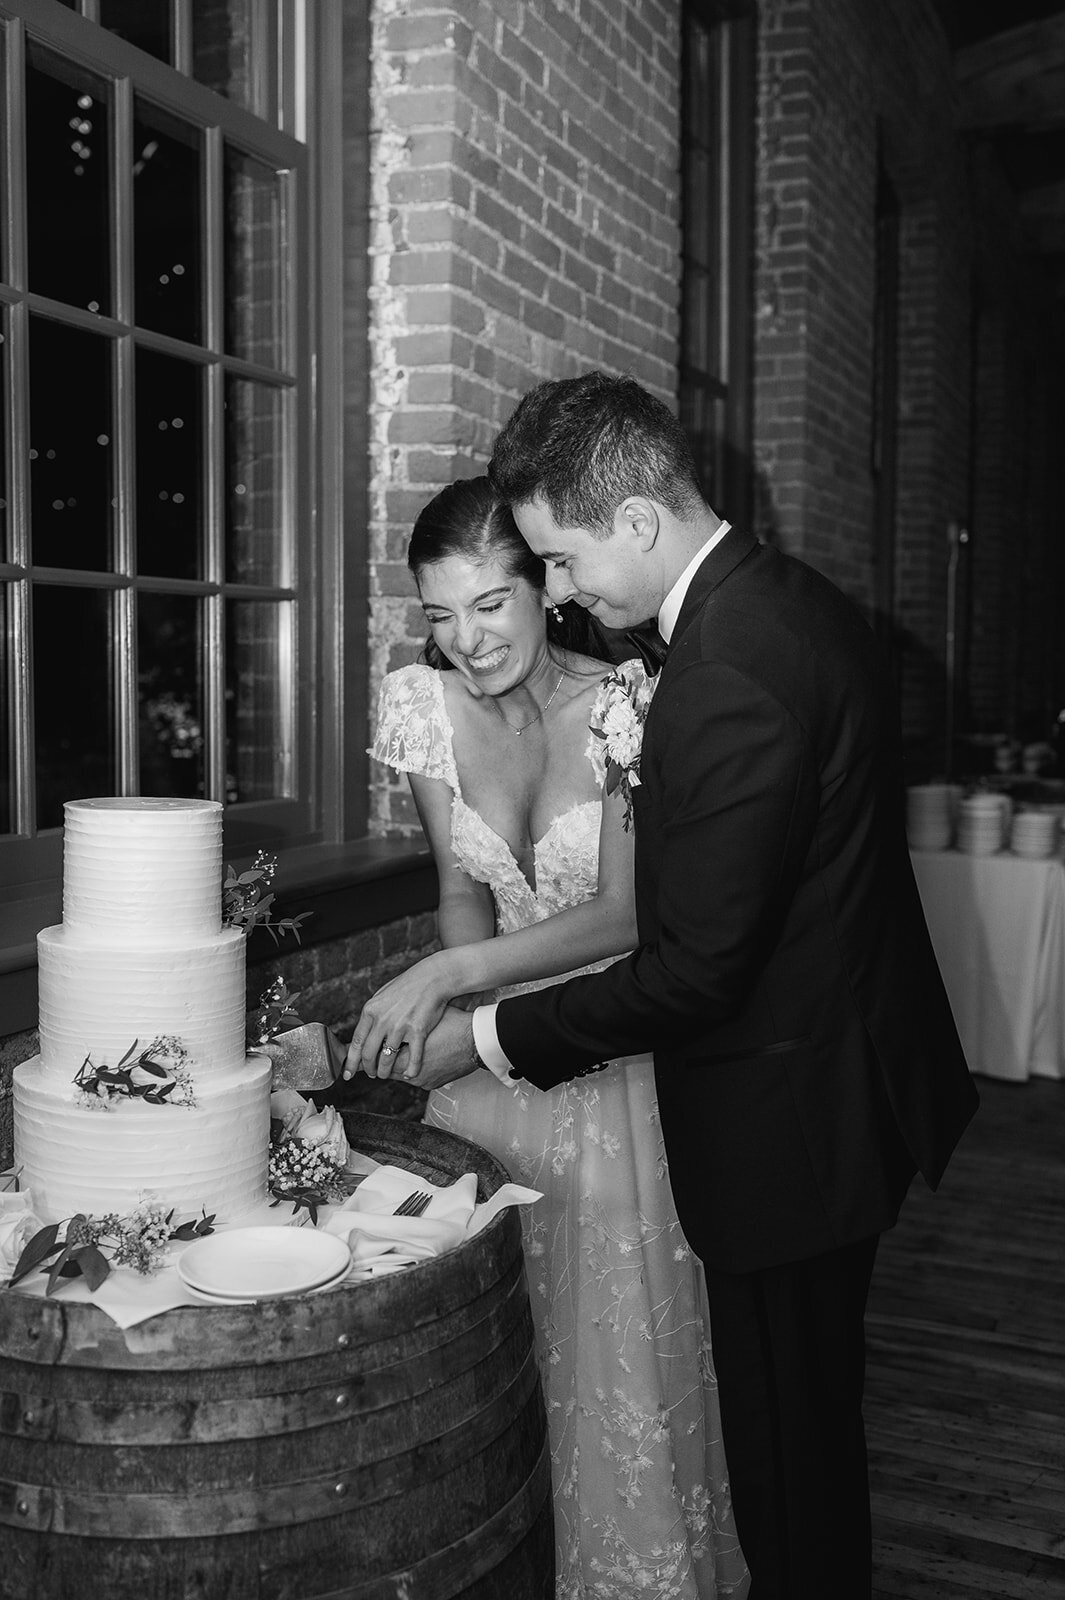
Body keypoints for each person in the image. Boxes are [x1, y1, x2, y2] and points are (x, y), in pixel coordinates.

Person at [348, 373, 979, 1599]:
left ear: (637, 521)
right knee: (796, 1441)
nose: (568, 597)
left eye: (560, 566)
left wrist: (479, 1028)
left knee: (789, 1461)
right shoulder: (779, 609)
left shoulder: (723, 667)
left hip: (790, 1122)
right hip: (825, 1087)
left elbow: (690, 965)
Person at [359, 474, 749, 1598]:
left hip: (615, 1057)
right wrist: (461, 1010)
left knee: (615, 1343)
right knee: (495, 1337)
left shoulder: (629, 700)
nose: (465, 641)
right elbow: (459, 890)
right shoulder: (423, 708)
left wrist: (449, 982)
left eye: (489, 604)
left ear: (543, 586)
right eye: (439, 614)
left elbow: (626, 914)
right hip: (485, 1072)